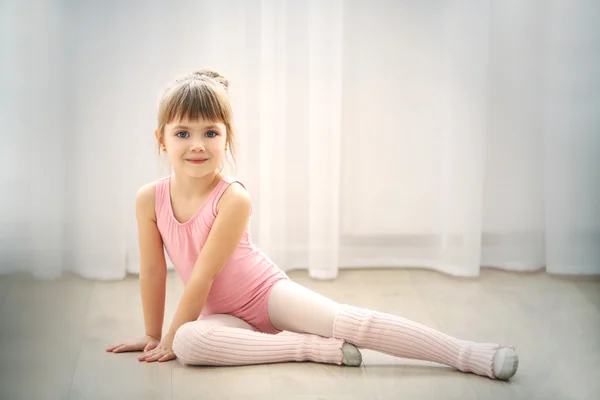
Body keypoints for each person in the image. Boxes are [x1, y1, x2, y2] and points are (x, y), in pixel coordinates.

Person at [106, 69, 519, 380]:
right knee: (190, 343)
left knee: (354, 321)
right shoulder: (150, 198)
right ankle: (310, 348)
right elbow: (154, 270)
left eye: (210, 132)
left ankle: (470, 354)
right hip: (219, 315)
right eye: (183, 133)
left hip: (264, 295)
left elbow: (200, 278)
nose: (197, 145)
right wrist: (153, 333)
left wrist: (167, 339)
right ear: (162, 139)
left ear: (226, 139)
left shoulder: (233, 198)